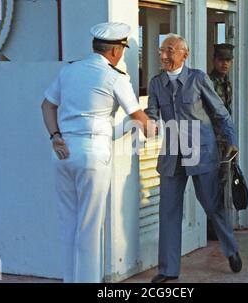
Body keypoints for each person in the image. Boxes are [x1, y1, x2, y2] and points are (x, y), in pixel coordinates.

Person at [41, 22, 153, 283]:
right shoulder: (115, 77)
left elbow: (47, 106)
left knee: (68, 223)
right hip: (92, 154)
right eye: (123, 49)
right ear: (115, 51)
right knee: (90, 227)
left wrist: (55, 136)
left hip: (64, 151)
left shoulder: (69, 71)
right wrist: (153, 128)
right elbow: (139, 117)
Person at [145, 33, 242, 283]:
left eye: (170, 51)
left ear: (184, 54)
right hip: (172, 154)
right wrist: (148, 125)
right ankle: (168, 270)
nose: (164, 56)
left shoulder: (198, 79)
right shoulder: (156, 83)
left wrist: (232, 141)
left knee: (211, 205)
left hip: (202, 150)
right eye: (162, 51)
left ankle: (231, 248)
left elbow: (220, 113)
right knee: (168, 210)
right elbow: (152, 113)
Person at [207, 43, 236, 240]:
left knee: (222, 182)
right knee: (212, 184)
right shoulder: (208, 82)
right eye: (221, 60)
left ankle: (218, 225)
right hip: (211, 140)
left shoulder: (227, 83)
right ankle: (211, 227)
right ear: (214, 60)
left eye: (228, 61)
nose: (225, 64)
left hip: (223, 141)